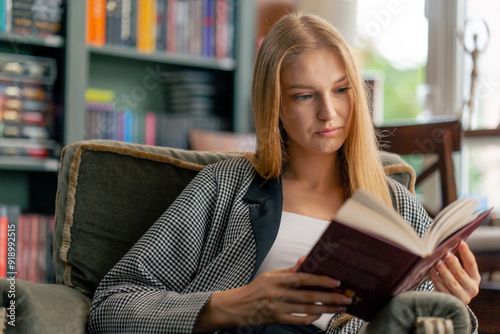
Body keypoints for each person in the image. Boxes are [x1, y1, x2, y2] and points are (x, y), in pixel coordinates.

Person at [87, 13, 480, 334]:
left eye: (341, 90)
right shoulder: (224, 186)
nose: (329, 112)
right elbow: (110, 307)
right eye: (304, 96)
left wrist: (455, 303)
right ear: (274, 105)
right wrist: (233, 305)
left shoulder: (397, 206)